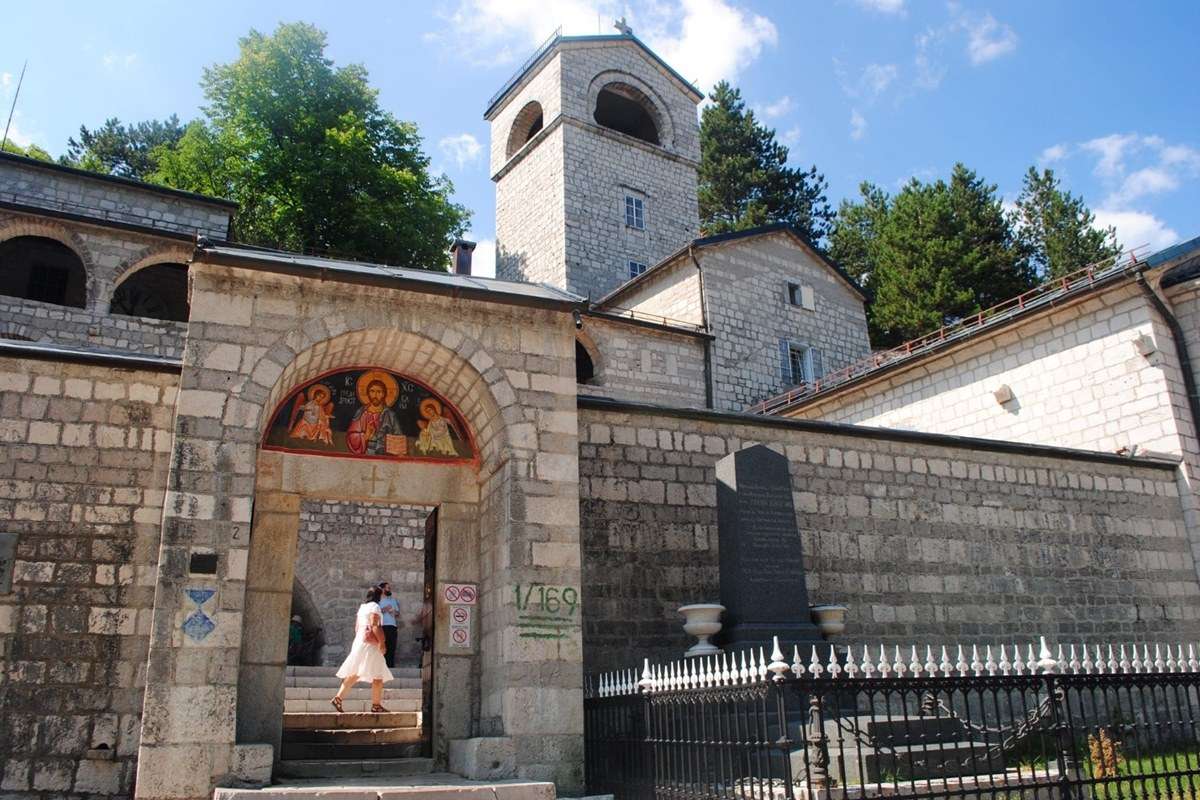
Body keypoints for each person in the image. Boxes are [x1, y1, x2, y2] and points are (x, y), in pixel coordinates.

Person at [330, 585, 394, 713]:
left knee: (356, 672)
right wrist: (382, 642)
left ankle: (338, 698)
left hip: (360, 641)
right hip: (371, 644)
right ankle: (376, 705)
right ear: (378, 596)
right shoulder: (375, 607)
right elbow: (375, 625)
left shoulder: (362, 608)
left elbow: (357, 627)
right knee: (378, 674)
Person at [347, 374, 402, 456]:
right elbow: (351, 435)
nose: (375, 395)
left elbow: (398, 437)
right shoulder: (361, 412)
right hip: (365, 452)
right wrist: (365, 436)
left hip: (384, 454)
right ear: (368, 393)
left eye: (379, 392)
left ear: (384, 394)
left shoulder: (390, 415)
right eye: (372, 391)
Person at [377, 581, 400, 668]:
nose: (389, 589)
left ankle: (390, 667)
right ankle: (381, 668)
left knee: (392, 647)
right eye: (388, 588)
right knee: (382, 648)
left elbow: (398, 614)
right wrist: (384, 609)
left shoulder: (393, 600)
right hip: (382, 627)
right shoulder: (378, 601)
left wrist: (394, 612)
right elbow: (376, 613)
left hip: (392, 626)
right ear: (382, 589)